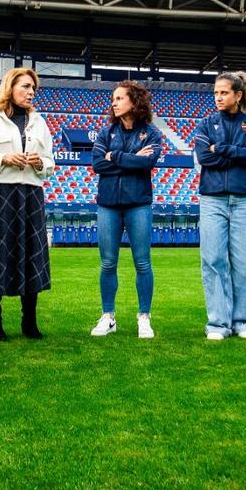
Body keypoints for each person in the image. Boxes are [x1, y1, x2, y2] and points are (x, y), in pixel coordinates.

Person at [0, 67, 54, 341]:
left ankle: (30, 322)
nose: (30, 92)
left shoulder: (39, 122)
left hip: (31, 195)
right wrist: (3, 159)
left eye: (33, 88)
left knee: (31, 255)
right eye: (25, 86)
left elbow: (50, 162)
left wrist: (41, 163)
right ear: (10, 88)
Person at [193, 72, 246, 341]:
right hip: (212, 200)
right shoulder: (205, 124)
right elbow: (203, 157)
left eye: (224, 92)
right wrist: (233, 152)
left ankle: (244, 321)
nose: (219, 97)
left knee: (243, 262)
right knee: (213, 260)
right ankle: (218, 323)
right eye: (216, 93)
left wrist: (220, 149)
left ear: (238, 95)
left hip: (243, 201)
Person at [89, 80, 165, 339]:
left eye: (120, 98)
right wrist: (131, 160)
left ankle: (144, 317)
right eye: (114, 98)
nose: (114, 102)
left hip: (138, 205)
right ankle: (108, 316)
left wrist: (115, 156)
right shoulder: (105, 133)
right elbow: (97, 164)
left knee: (142, 263)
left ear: (134, 101)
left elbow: (148, 163)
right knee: (108, 263)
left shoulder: (152, 134)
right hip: (108, 205)